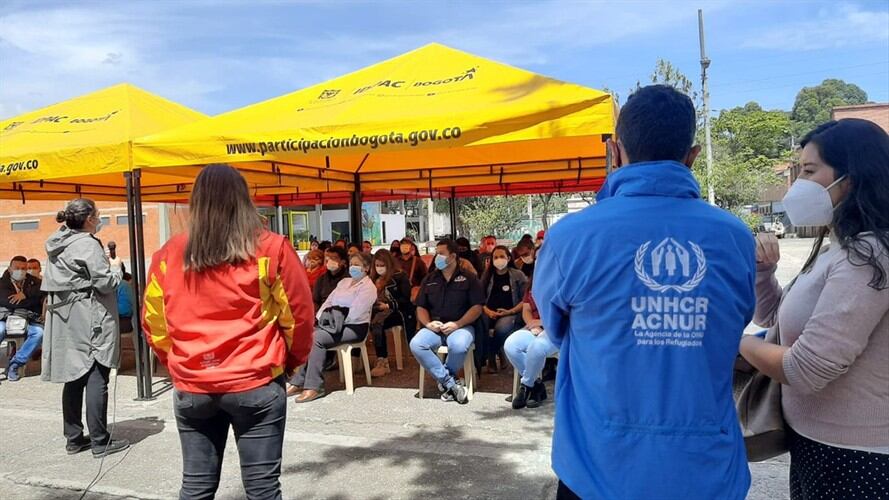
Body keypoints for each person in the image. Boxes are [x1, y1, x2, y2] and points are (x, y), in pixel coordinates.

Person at [534, 85, 757, 500]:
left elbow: (556, 328)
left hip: (598, 469)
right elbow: (734, 323)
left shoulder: (570, 237)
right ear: (692, 156)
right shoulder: (735, 237)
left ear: (615, 153)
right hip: (705, 469)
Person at [143, 164, 315, 499]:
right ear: (243, 199)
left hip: (193, 384)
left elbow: (155, 322)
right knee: (263, 488)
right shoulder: (271, 247)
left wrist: (178, 363)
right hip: (256, 380)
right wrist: (289, 362)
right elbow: (298, 316)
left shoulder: (169, 253)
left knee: (196, 486)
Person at [739, 119, 889, 500]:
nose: (797, 186)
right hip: (815, 444)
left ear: (852, 176)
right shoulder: (840, 249)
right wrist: (764, 274)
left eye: (809, 171)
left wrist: (732, 341)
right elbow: (776, 323)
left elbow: (805, 368)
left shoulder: (870, 255)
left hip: (857, 458)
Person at [41, 198, 130, 458]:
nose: (99, 218)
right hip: (88, 316)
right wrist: (116, 268)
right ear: (89, 218)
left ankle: (74, 438)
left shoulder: (58, 241)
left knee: (73, 377)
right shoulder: (86, 244)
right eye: (98, 215)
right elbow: (104, 283)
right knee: (96, 375)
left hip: (65, 317)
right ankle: (100, 442)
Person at [291, 252, 377, 403]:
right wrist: (323, 319)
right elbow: (329, 302)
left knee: (317, 338)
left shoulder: (369, 288)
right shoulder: (343, 282)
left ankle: (314, 386)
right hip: (333, 322)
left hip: (354, 327)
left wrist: (336, 320)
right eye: (351, 264)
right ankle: (298, 381)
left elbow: (356, 312)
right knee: (311, 335)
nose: (353, 267)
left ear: (366, 268)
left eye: (357, 264)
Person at [409, 239, 484, 404]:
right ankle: (450, 383)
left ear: (453, 256)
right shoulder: (429, 279)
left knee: (458, 345)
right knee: (417, 344)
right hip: (435, 327)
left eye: (441, 253)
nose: (437, 257)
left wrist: (458, 323)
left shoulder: (469, 278)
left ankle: (446, 383)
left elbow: (477, 307)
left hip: (461, 326)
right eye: (437, 253)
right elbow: (420, 307)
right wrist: (428, 324)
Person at [504, 279, 558, 409]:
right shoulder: (534, 283)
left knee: (537, 347)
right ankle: (536, 385)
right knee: (511, 345)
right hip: (534, 328)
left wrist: (542, 322)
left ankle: (527, 385)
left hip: (555, 330)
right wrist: (532, 324)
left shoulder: (562, 280)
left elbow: (566, 313)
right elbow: (526, 310)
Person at [479, 246, 527, 373]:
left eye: (502, 257)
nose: (499, 260)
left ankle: (491, 356)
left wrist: (510, 311)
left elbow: (526, 300)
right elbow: (479, 299)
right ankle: (499, 353)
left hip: (511, 313)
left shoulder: (518, 275)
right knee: (482, 326)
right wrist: (488, 311)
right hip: (489, 313)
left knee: (501, 329)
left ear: (509, 258)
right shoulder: (487, 276)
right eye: (495, 257)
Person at [0, 256, 46, 382]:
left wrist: (25, 294)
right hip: (5, 317)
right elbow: (8, 302)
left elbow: (42, 292)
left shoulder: (34, 281)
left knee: (38, 333)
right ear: (10, 269)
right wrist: (29, 300)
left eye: (23, 268)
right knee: (0, 330)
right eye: (17, 268)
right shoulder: (2, 283)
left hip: (29, 317)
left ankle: (16, 363)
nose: (20, 271)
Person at [368, 249, 412, 377]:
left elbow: (405, 298)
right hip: (377, 309)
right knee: (363, 321)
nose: (379, 268)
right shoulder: (372, 279)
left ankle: (383, 361)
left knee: (378, 323)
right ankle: (357, 358)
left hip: (398, 311)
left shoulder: (400, 276)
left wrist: (388, 305)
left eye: (382, 265)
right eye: (377, 265)